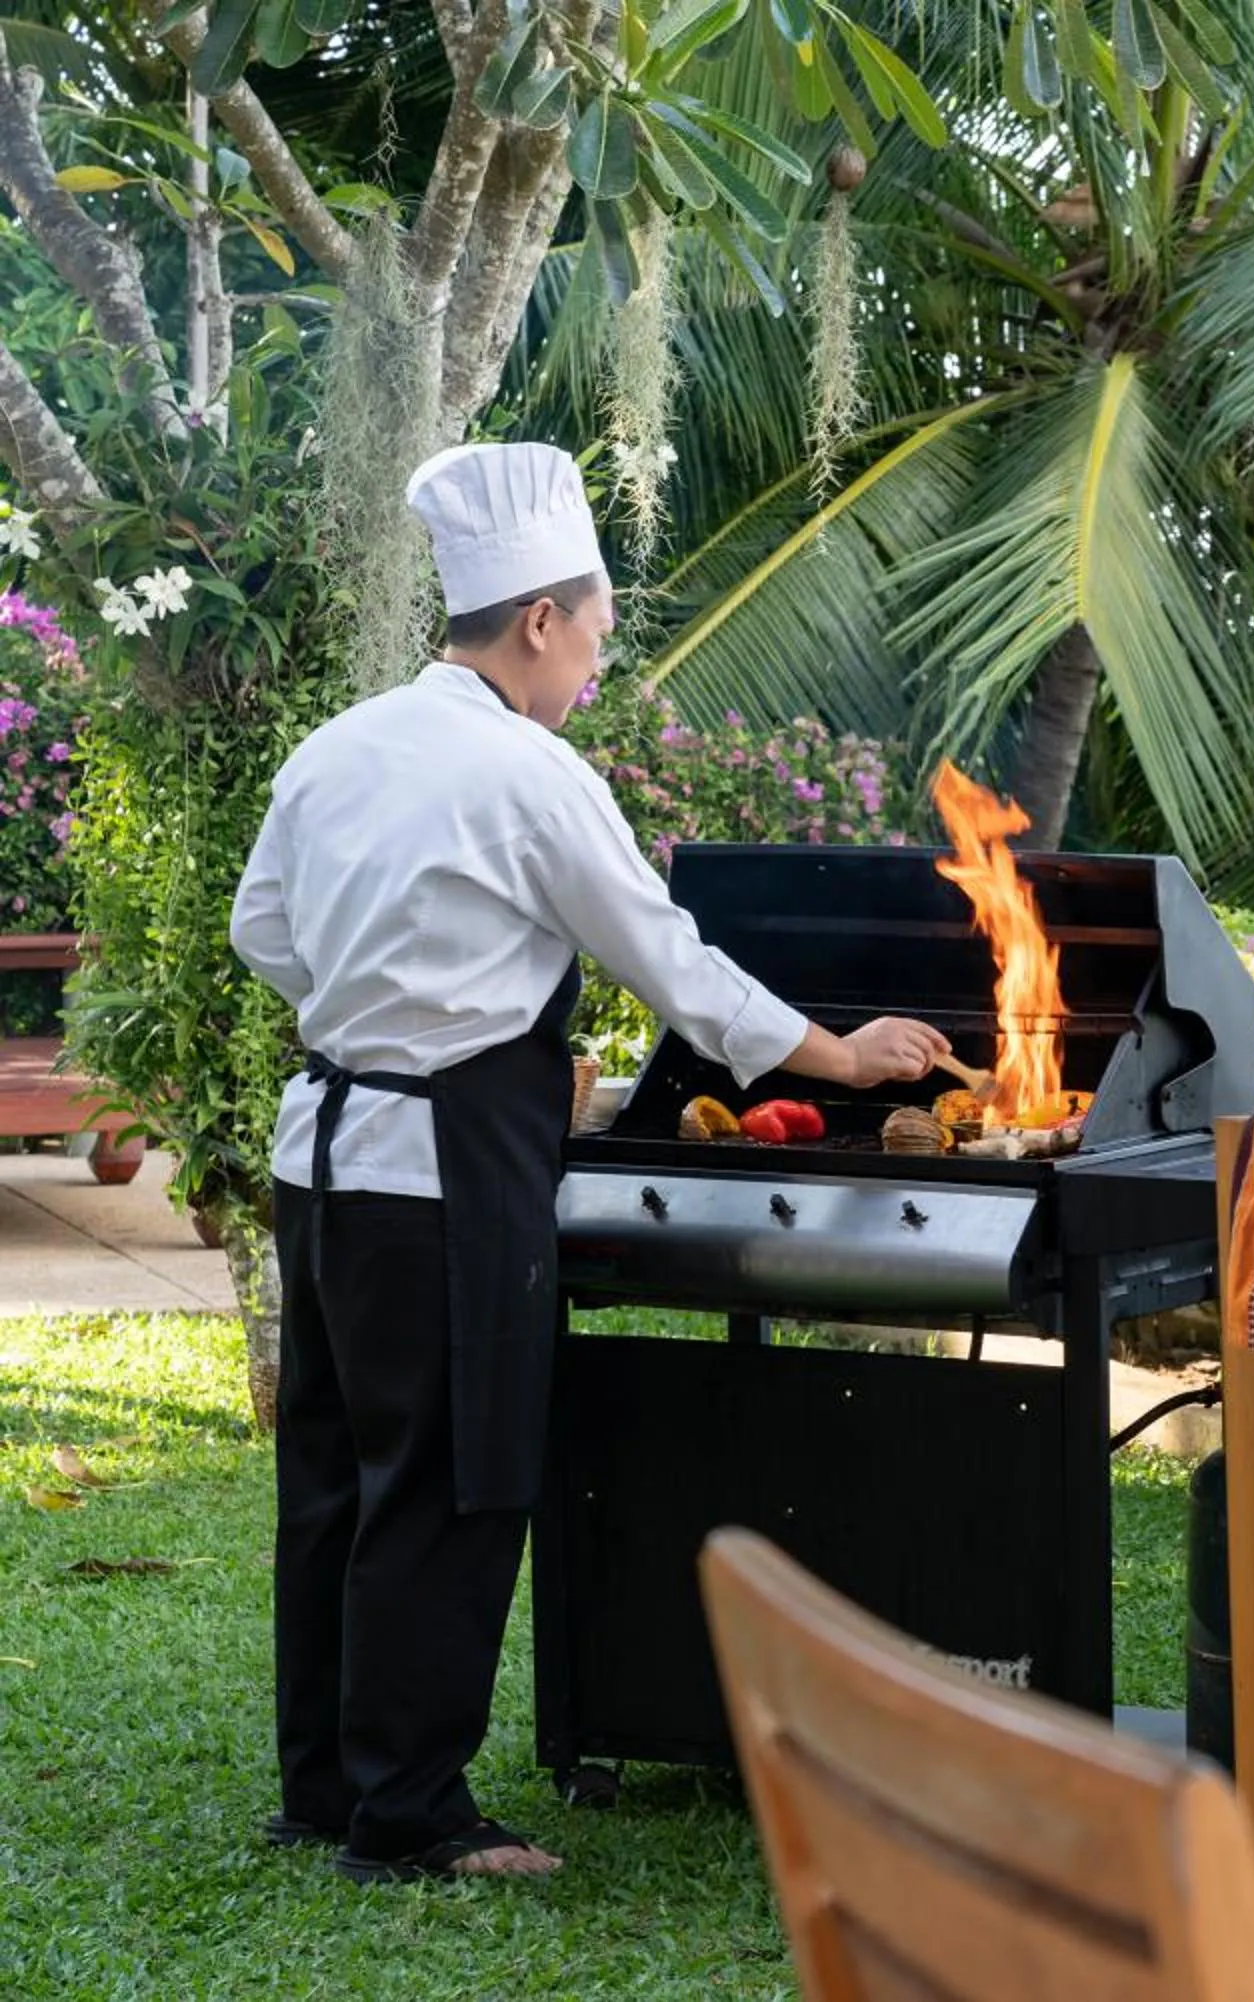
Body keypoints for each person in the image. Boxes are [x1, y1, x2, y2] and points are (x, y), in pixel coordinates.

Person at [229, 441, 949, 1883]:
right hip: (443, 1170)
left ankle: (326, 1784)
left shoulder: (338, 747)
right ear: (541, 619)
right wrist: (851, 1059)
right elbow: (676, 968)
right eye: (598, 633)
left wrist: (393, 1007)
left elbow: (264, 932)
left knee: (335, 1473)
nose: (596, 669)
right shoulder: (527, 774)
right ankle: (414, 1813)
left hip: (322, 1158)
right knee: (448, 1478)